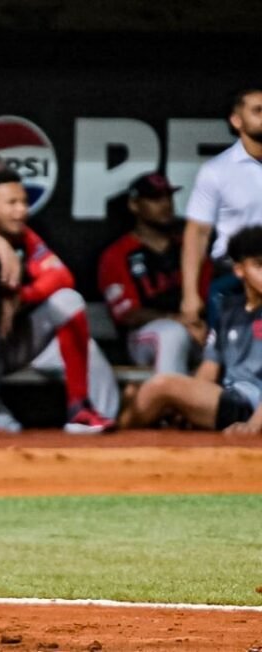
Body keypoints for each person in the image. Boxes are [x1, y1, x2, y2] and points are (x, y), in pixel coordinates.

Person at [0, 169, 118, 433]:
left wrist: (21, 297)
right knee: (2, 432)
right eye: (12, 203)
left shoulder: (25, 237)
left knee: (68, 302)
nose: (21, 210)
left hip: (14, 341)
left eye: (24, 202)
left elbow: (62, 276)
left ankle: (82, 411)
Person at [120, 225, 262, 435]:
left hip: (252, 405)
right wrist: (188, 404)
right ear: (239, 270)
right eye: (259, 265)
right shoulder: (228, 310)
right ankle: (120, 436)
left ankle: (113, 437)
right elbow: (209, 369)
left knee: (161, 385)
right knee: (145, 393)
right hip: (228, 398)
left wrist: (255, 424)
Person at [98, 172, 209, 375]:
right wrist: (175, 319)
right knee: (171, 335)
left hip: (195, 330)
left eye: (168, 197)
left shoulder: (188, 248)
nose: (165, 204)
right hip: (146, 334)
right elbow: (129, 315)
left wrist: (195, 323)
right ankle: (170, 395)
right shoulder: (117, 254)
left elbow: (207, 296)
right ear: (134, 205)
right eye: (155, 198)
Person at [181, 87, 262, 328]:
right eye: (258, 111)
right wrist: (189, 294)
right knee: (230, 348)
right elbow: (197, 233)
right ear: (237, 120)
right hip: (234, 278)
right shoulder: (217, 171)